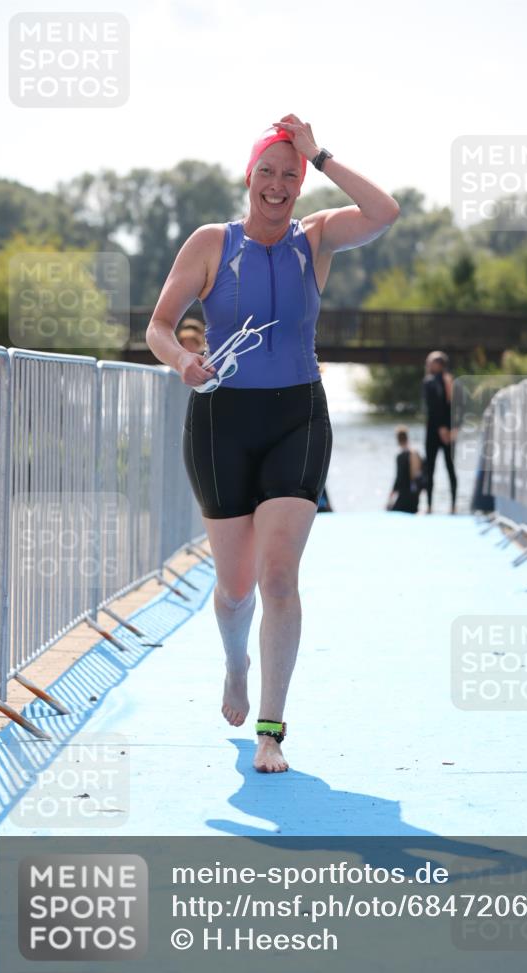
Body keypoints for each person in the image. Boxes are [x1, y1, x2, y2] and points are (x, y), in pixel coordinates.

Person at [146, 114, 399, 773]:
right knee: (235, 588)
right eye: (268, 171)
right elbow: (159, 327)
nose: (278, 184)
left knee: (279, 575)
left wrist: (322, 154)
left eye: (290, 174)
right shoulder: (212, 243)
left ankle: (271, 730)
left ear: (300, 183)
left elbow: (384, 211)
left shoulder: (315, 238)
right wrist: (183, 360)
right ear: (248, 177)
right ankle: (236, 664)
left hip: (297, 418)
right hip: (220, 422)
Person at [421, 351, 458, 514]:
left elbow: (436, 407)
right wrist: (451, 428)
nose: (428, 365)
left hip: (441, 431)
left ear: (439, 364)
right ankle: (435, 506)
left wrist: (447, 428)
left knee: (440, 468)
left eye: (431, 362)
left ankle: (444, 506)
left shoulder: (437, 381)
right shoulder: (438, 381)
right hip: (443, 430)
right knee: (438, 468)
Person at [386, 426, 424, 513]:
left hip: (405, 496)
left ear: (398, 440)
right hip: (415, 496)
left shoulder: (400, 457)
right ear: (407, 437)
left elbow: (399, 479)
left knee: (389, 510)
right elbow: (420, 476)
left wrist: (391, 494)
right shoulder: (416, 453)